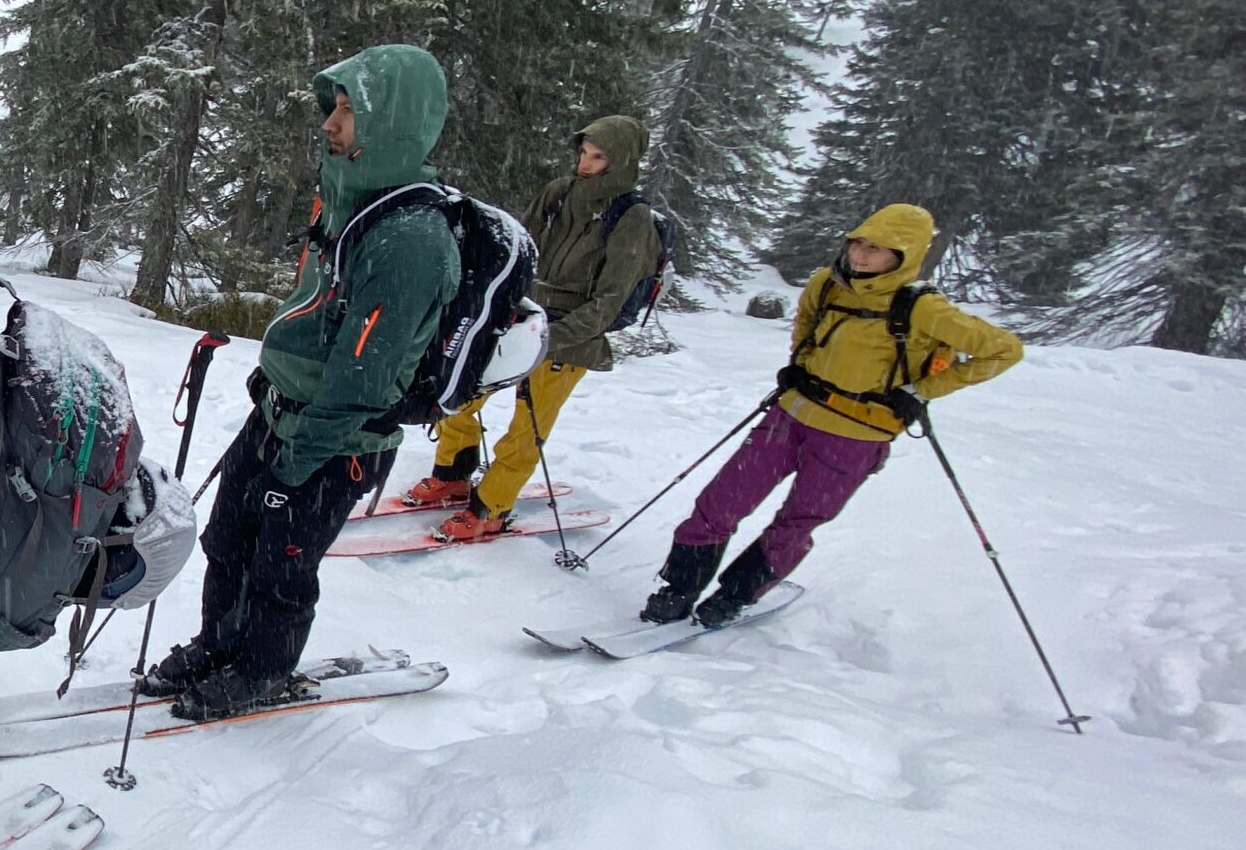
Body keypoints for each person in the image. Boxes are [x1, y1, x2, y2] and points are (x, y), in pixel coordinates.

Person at [140, 45, 463, 720]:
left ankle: (262, 668)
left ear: (391, 121)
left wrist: (299, 462)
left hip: (336, 440)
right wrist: (273, 380)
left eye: (348, 110)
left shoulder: (410, 239)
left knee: (281, 566)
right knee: (228, 541)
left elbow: (362, 376)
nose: (330, 122)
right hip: (279, 413)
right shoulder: (352, 199)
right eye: (332, 107)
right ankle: (220, 643)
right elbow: (317, 311)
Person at [642, 203, 1022, 626]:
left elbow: (1004, 350)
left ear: (903, 255)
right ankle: (678, 588)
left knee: (797, 521)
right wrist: (799, 365)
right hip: (791, 416)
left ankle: (735, 595)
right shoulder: (827, 284)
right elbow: (806, 321)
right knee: (721, 502)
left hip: (857, 434)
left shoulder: (922, 308)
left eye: (876, 248)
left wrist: (920, 391)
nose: (860, 255)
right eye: (857, 243)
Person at [404, 115, 661, 543]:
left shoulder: (632, 218)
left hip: (571, 339)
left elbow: (609, 301)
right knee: (459, 394)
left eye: (598, 157)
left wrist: (548, 340)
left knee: (527, 427)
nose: (585, 163)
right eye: (584, 153)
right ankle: (452, 475)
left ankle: (491, 508)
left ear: (621, 161)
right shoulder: (558, 193)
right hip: (522, 317)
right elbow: (518, 254)